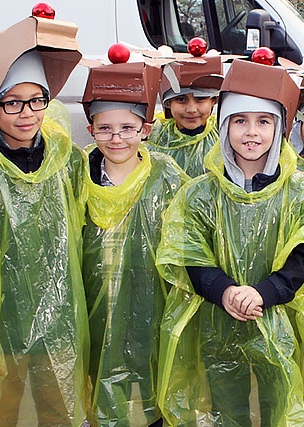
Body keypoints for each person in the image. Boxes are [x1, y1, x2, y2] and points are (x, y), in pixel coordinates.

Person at [155, 58, 304, 426]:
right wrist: (224, 291)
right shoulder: (201, 193)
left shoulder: (300, 190)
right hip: (215, 321)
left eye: (263, 121)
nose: (251, 132)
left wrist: (265, 292)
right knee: (227, 406)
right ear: (223, 127)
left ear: (280, 128)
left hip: (280, 318)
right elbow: (187, 253)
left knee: (281, 402)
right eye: (240, 121)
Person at [0, 14, 89, 426]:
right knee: (6, 413)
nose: (27, 113)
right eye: (12, 102)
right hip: (4, 326)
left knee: (59, 411)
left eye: (37, 100)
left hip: (63, 321)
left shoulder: (65, 159)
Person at [80, 60, 189, 427]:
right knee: (102, 387)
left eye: (127, 128)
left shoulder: (167, 176)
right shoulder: (78, 175)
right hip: (96, 303)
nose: (116, 138)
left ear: (146, 129)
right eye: (105, 129)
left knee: (153, 383)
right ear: (91, 129)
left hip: (150, 300)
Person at [146, 56, 222, 177]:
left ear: (213, 100)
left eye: (200, 99)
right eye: (181, 99)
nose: (191, 109)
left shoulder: (224, 135)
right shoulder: (154, 134)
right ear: (168, 103)